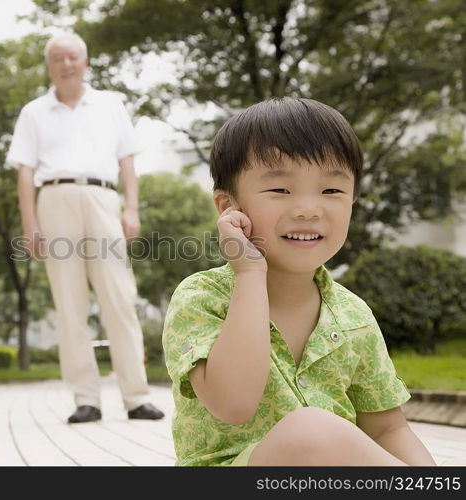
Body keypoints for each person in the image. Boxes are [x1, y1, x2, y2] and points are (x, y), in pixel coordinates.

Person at [163, 97, 436, 466]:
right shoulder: (201, 298)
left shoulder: (353, 315)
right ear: (230, 208)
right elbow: (233, 403)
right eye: (280, 190)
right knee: (309, 432)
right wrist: (249, 273)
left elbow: (388, 429)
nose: (308, 209)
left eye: (331, 191)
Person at [8, 33, 164, 424]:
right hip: (54, 200)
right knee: (69, 304)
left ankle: (136, 396)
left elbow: (127, 160)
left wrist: (131, 208)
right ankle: (86, 399)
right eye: (58, 58)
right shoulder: (33, 112)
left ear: (86, 62)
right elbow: (25, 173)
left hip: (103, 198)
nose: (66, 64)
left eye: (73, 57)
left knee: (120, 299)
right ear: (49, 66)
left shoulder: (110, 104)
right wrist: (31, 224)